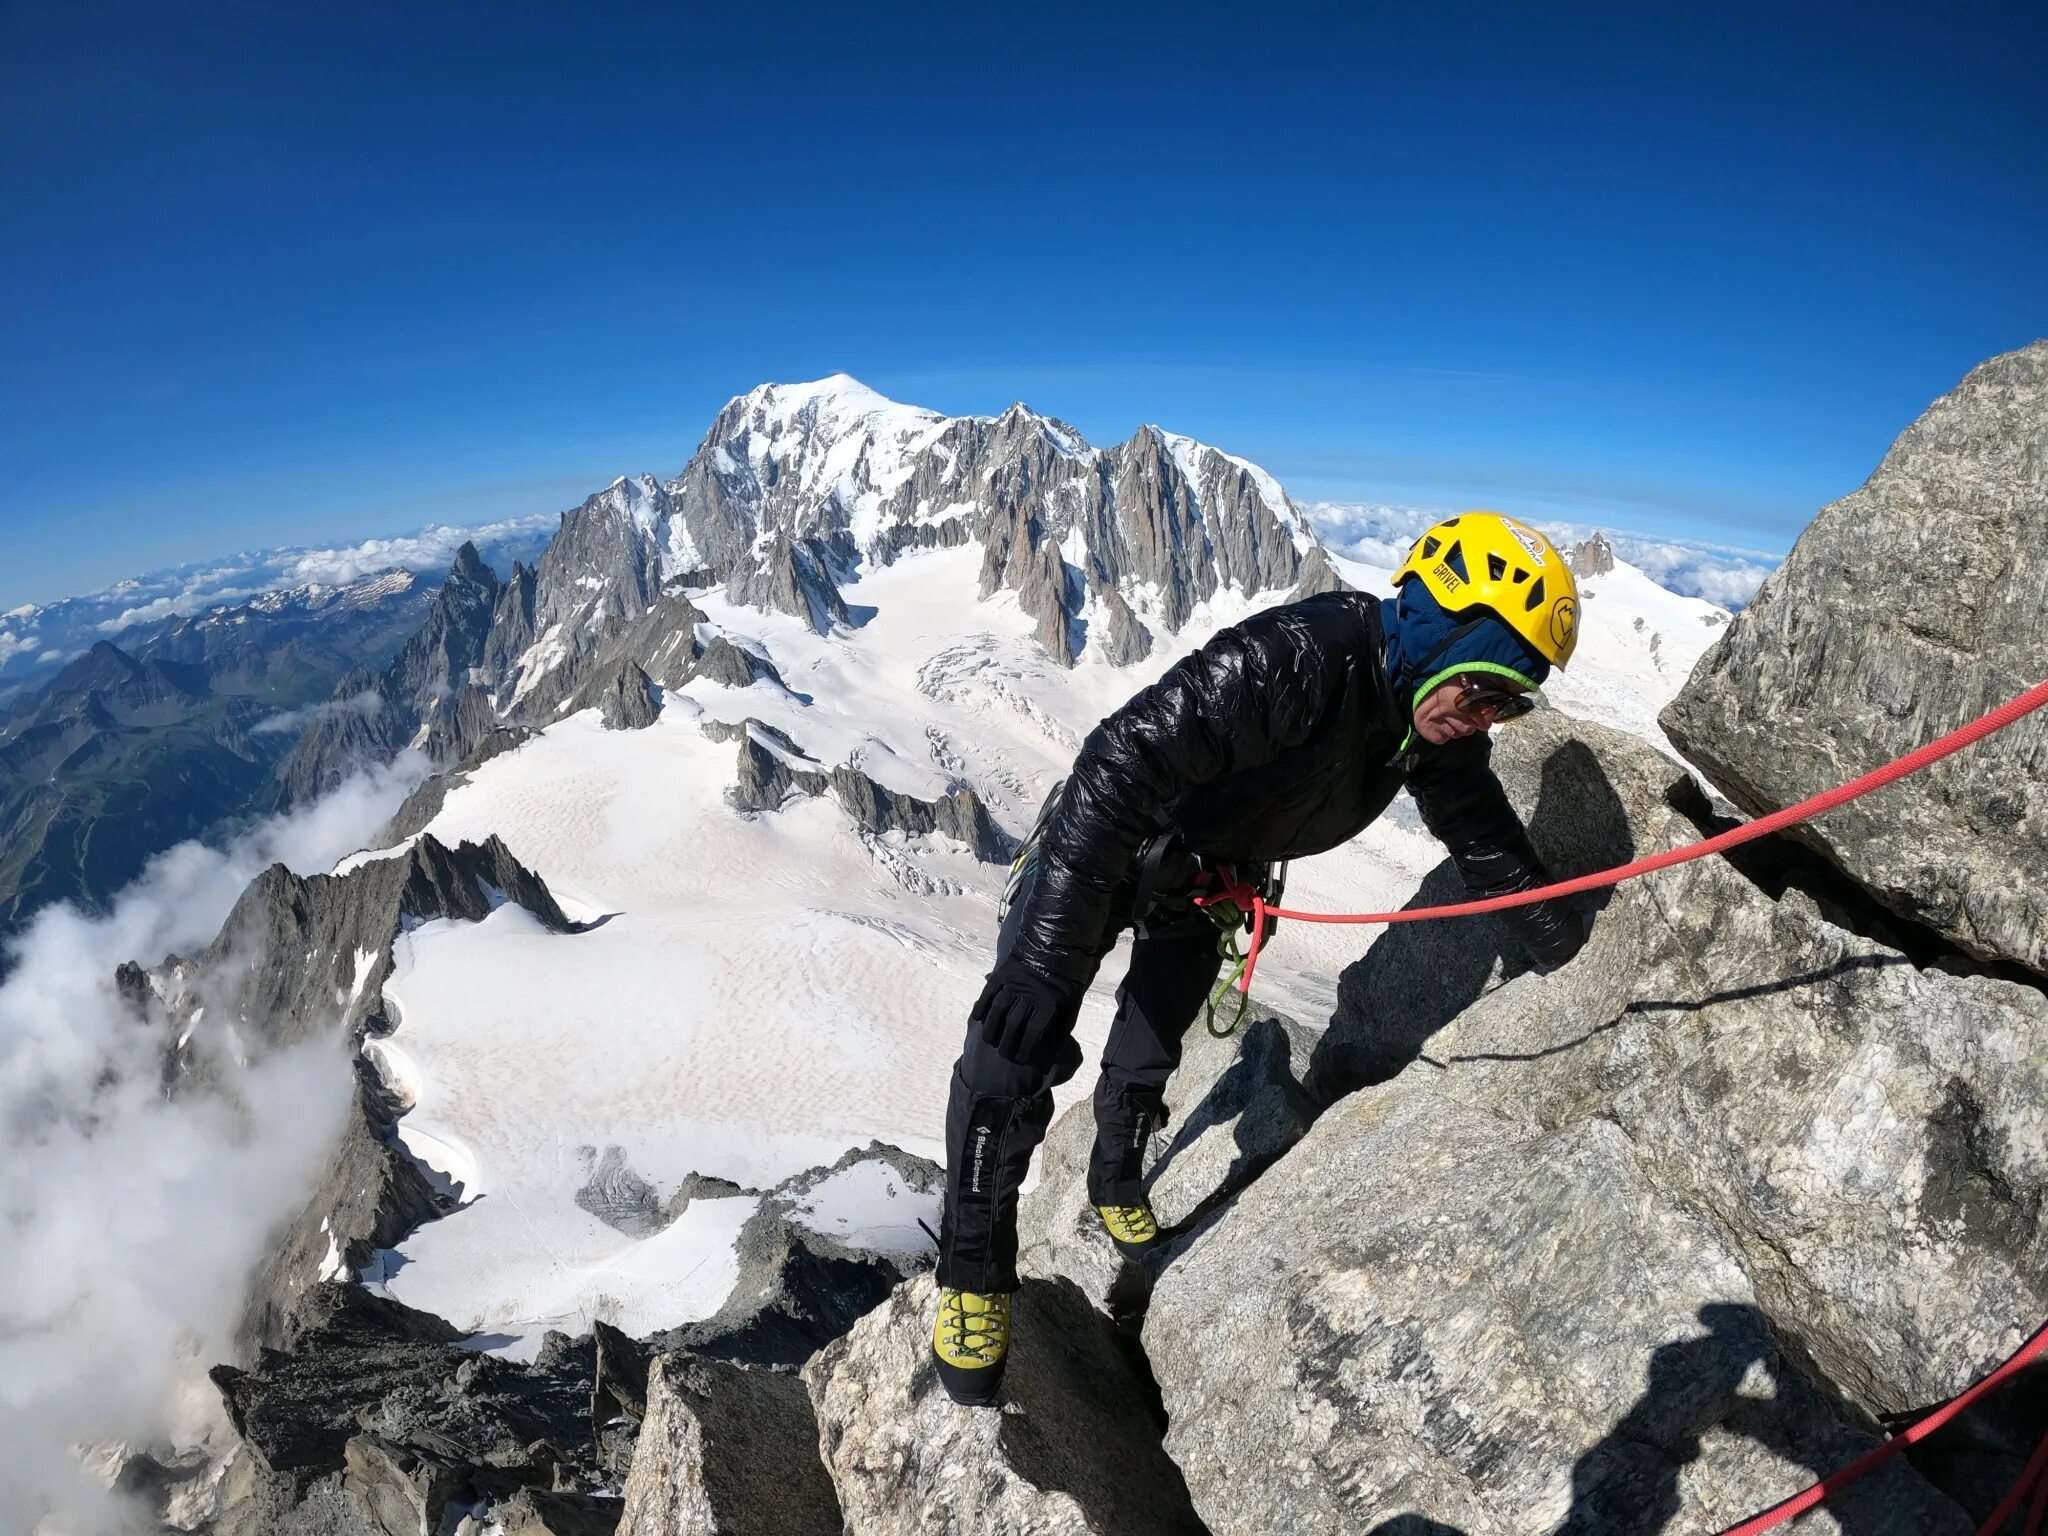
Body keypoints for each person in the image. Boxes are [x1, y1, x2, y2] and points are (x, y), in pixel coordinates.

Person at [929, 511, 1595, 1407]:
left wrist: (1578, 953)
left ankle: (1116, 1175)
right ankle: (973, 1274)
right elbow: (1119, 764)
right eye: (1484, 690)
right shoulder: (1300, 657)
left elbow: (1487, 844)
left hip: (1207, 880)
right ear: (1442, 628)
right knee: (1014, 1043)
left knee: (1151, 1043)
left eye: (1507, 705)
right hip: (1104, 847)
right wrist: (1044, 958)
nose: (1483, 719)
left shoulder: (1424, 723)